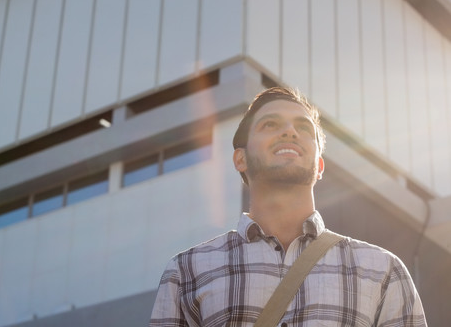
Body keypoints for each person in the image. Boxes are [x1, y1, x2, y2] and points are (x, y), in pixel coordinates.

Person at [149, 86, 426, 326]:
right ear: (240, 159)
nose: (290, 132)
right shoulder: (187, 272)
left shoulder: (383, 272)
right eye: (270, 124)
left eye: (303, 128)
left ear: (319, 166)